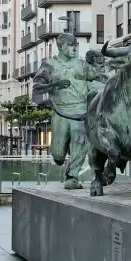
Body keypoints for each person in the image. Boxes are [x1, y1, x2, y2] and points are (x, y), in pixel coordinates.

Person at [32, 33, 98, 189]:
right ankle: (61, 159)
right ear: (60, 46)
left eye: (76, 45)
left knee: (80, 144)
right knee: (58, 155)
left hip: (81, 115)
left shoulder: (82, 65)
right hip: (61, 114)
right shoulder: (49, 65)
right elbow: (36, 87)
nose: (74, 48)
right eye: (70, 45)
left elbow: (99, 76)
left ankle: (72, 176)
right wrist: (54, 85)